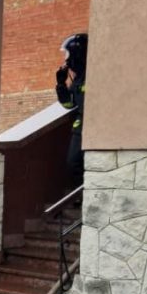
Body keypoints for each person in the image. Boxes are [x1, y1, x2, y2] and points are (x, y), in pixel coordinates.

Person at [56, 33, 88, 187]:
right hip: (79, 128)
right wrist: (61, 85)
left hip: (91, 127)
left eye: (68, 54)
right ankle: (79, 196)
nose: (66, 59)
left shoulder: (92, 75)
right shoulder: (78, 79)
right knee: (72, 164)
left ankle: (82, 197)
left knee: (78, 164)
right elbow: (69, 104)